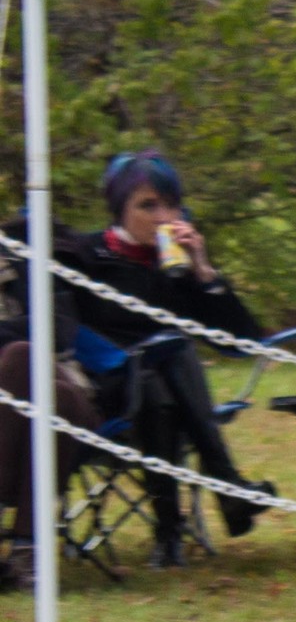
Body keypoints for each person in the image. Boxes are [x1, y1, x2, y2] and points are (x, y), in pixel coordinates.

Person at [55, 151, 278, 567]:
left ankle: (173, 532)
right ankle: (225, 489)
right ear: (120, 209)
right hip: (104, 385)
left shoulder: (175, 267)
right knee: (165, 362)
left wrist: (205, 272)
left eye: (171, 205)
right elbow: (61, 328)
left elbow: (240, 342)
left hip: (165, 393)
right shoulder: (85, 257)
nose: (163, 216)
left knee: (167, 369)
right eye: (148, 205)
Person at [0, 221, 99, 588]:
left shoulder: (18, 252)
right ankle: (27, 549)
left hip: (54, 387)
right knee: (60, 399)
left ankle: (26, 548)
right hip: (50, 408)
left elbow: (58, 326)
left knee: (23, 360)